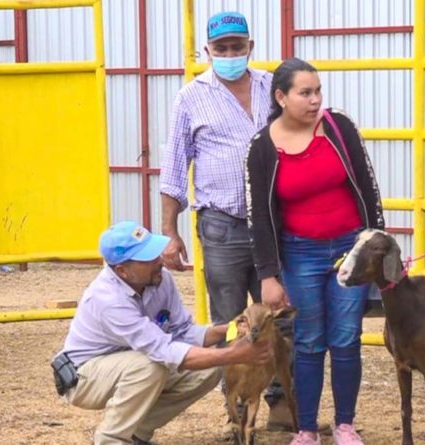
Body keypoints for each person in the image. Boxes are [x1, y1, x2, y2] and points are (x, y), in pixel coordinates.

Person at [158, 11, 293, 432]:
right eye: (222, 48)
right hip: (222, 223)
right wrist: (169, 230)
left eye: (238, 46)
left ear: (250, 47)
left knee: (280, 313)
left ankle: (278, 403)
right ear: (208, 52)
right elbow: (174, 166)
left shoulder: (274, 87)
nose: (230, 54)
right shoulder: (190, 97)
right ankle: (235, 405)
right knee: (231, 316)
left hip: (275, 222)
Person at [245, 58, 385, 445]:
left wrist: (378, 246)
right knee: (308, 341)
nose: (314, 100)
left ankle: (345, 425)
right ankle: (305, 428)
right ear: (281, 97)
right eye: (304, 93)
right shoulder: (261, 147)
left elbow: (368, 188)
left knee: (345, 338)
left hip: (349, 251)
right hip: (300, 254)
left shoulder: (340, 128)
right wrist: (269, 275)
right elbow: (259, 215)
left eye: (317, 91)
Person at [52, 221, 271, 445]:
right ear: (122, 271)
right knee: (150, 365)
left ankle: (137, 433)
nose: (158, 261)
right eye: (147, 258)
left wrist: (231, 330)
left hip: (132, 360)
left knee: (210, 368)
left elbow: (182, 331)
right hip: (84, 377)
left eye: (155, 253)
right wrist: (234, 355)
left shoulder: (159, 278)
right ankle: (111, 439)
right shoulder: (108, 299)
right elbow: (163, 351)